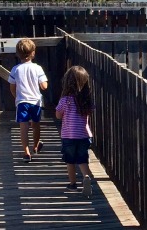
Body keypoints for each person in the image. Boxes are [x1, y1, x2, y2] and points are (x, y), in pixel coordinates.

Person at [56, 65, 95, 197]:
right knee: (82, 159)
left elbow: (58, 115)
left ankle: (73, 184)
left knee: (70, 161)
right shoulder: (85, 100)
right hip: (84, 135)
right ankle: (86, 177)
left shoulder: (65, 100)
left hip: (68, 137)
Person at [8, 38, 48, 163]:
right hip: (35, 101)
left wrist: (16, 97)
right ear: (33, 53)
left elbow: (12, 87)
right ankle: (35, 146)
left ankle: (26, 152)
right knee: (36, 125)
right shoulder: (37, 68)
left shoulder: (15, 69)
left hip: (22, 102)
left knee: (23, 127)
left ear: (17, 54)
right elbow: (44, 86)